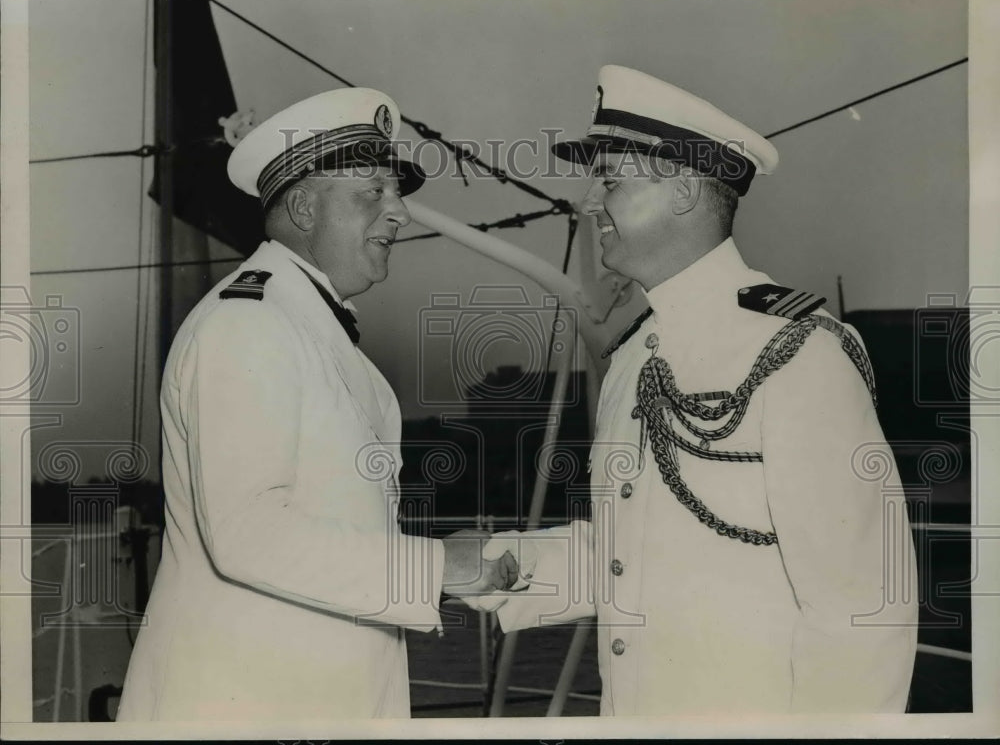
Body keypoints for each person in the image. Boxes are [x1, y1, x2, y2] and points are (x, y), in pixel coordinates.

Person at [469, 65, 919, 715]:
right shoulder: (634, 355)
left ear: (682, 190)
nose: (591, 201)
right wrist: (480, 562)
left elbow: (862, 609)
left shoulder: (795, 352)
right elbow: (638, 551)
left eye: (612, 180)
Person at [117, 88, 518, 721]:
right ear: (303, 208)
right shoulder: (248, 325)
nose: (400, 214)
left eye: (397, 192)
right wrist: (438, 565)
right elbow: (250, 534)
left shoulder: (316, 333)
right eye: (373, 193)